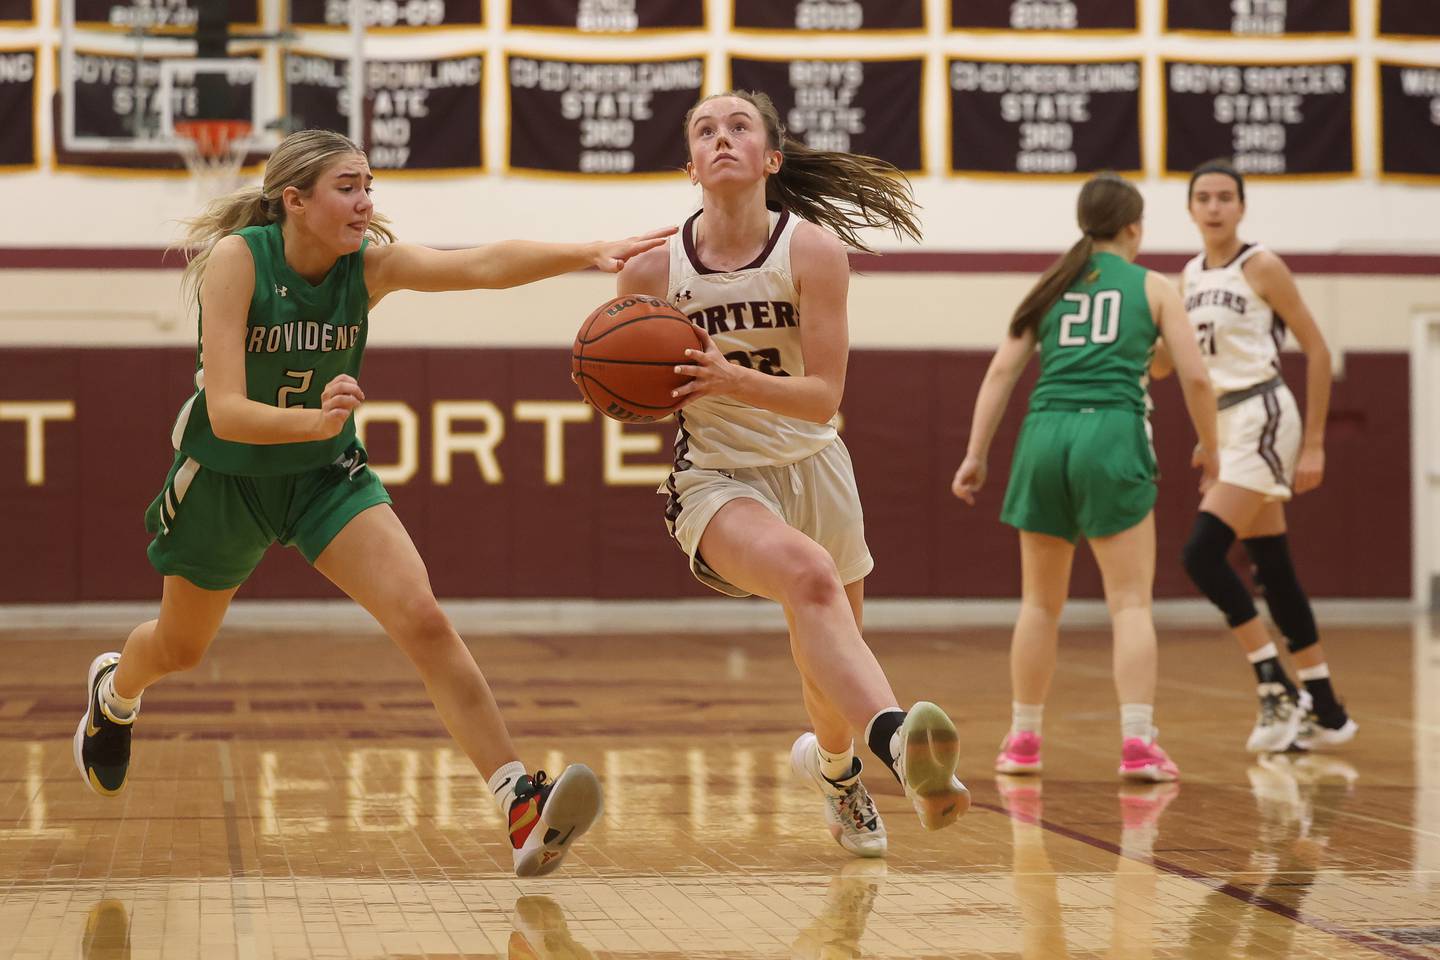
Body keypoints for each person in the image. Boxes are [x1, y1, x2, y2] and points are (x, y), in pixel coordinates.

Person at [73, 128, 672, 878]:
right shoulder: (238, 261)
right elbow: (225, 411)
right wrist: (315, 420)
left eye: (369, 185)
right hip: (227, 479)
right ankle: (115, 693)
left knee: (423, 619)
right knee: (179, 649)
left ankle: (517, 803)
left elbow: (479, 266)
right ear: (295, 199)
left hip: (326, 476)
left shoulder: (370, 268)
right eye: (348, 187)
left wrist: (587, 252)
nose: (366, 202)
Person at [614, 90, 970, 858]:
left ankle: (837, 770)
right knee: (809, 576)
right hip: (715, 476)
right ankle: (901, 744)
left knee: (827, 658)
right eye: (704, 130)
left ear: (770, 158)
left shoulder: (810, 250)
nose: (721, 138)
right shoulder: (651, 266)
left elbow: (823, 400)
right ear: (690, 166)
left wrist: (726, 377)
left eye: (739, 126)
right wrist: (626, 394)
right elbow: (623, 395)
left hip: (815, 463)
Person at [952, 172, 1219, 782]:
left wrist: (975, 455)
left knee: (1040, 605)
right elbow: (1195, 377)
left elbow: (1000, 375)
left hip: (1044, 433)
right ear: (1134, 228)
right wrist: (1211, 444)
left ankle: (1021, 740)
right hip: (1111, 432)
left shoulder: (1049, 286)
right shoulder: (1155, 286)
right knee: (1128, 604)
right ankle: (1138, 744)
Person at [1153, 160, 1357, 753]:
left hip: (1265, 414)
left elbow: (1317, 351)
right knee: (1272, 563)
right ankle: (1325, 706)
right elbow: (1173, 366)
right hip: (1227, 423)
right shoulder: (1187, 276)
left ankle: (1274, 683)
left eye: (1225, 197)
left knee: (1202, 554)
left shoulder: (1261, 265)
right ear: (1190, 209)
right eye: (1203, 198)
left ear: (1241, 207)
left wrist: (1315, 441)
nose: (1214, 206)